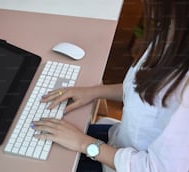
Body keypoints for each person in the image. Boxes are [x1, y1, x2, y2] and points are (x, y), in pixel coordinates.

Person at [31, 0, 189, 171]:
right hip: (118, 144)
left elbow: (156, 168)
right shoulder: (174, 33)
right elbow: (145, 91)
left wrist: (83, 143)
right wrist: (94, 92)